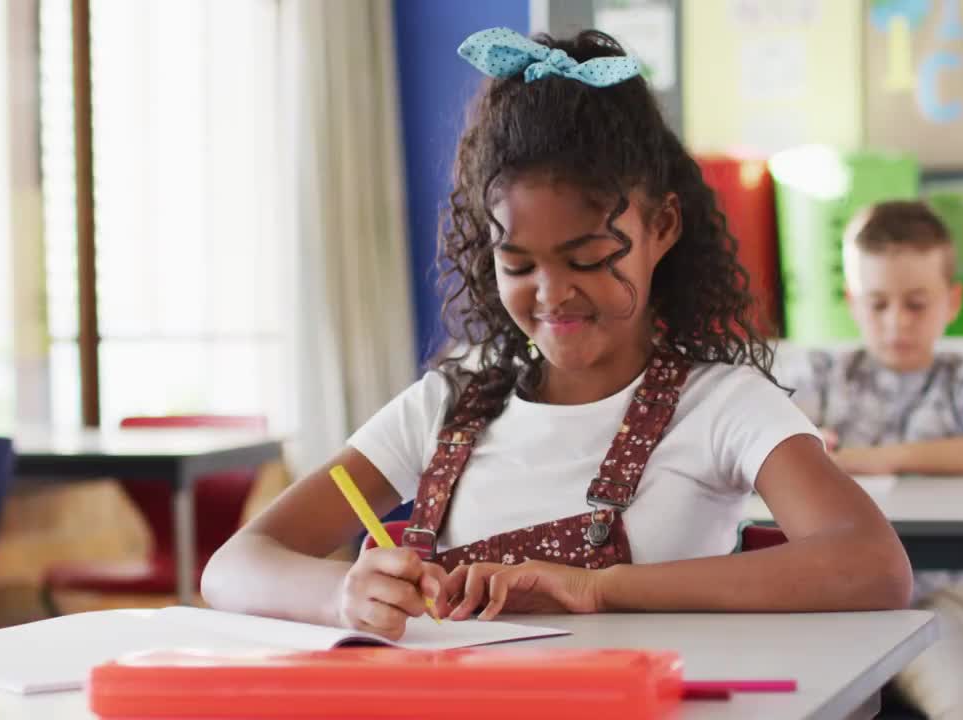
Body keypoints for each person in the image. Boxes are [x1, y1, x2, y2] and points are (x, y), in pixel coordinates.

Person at [203, 27, 910, 641]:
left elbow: (871, 564)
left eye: (588, 259)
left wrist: (598, 588)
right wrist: (339, 596)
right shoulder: (454, 400)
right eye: (518, 264)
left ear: (661, 228)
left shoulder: (722, 405)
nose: (552, 294)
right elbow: (234, 566)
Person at [779, 200, 963, 720]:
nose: (896, 323)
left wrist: (875, 459)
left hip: (933, 603)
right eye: (877, 303)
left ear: (951, 302)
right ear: (852, 302)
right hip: (826, 605)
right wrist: (806, 440)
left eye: (916, 304)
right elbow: (759, 441)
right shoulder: (822, 373)